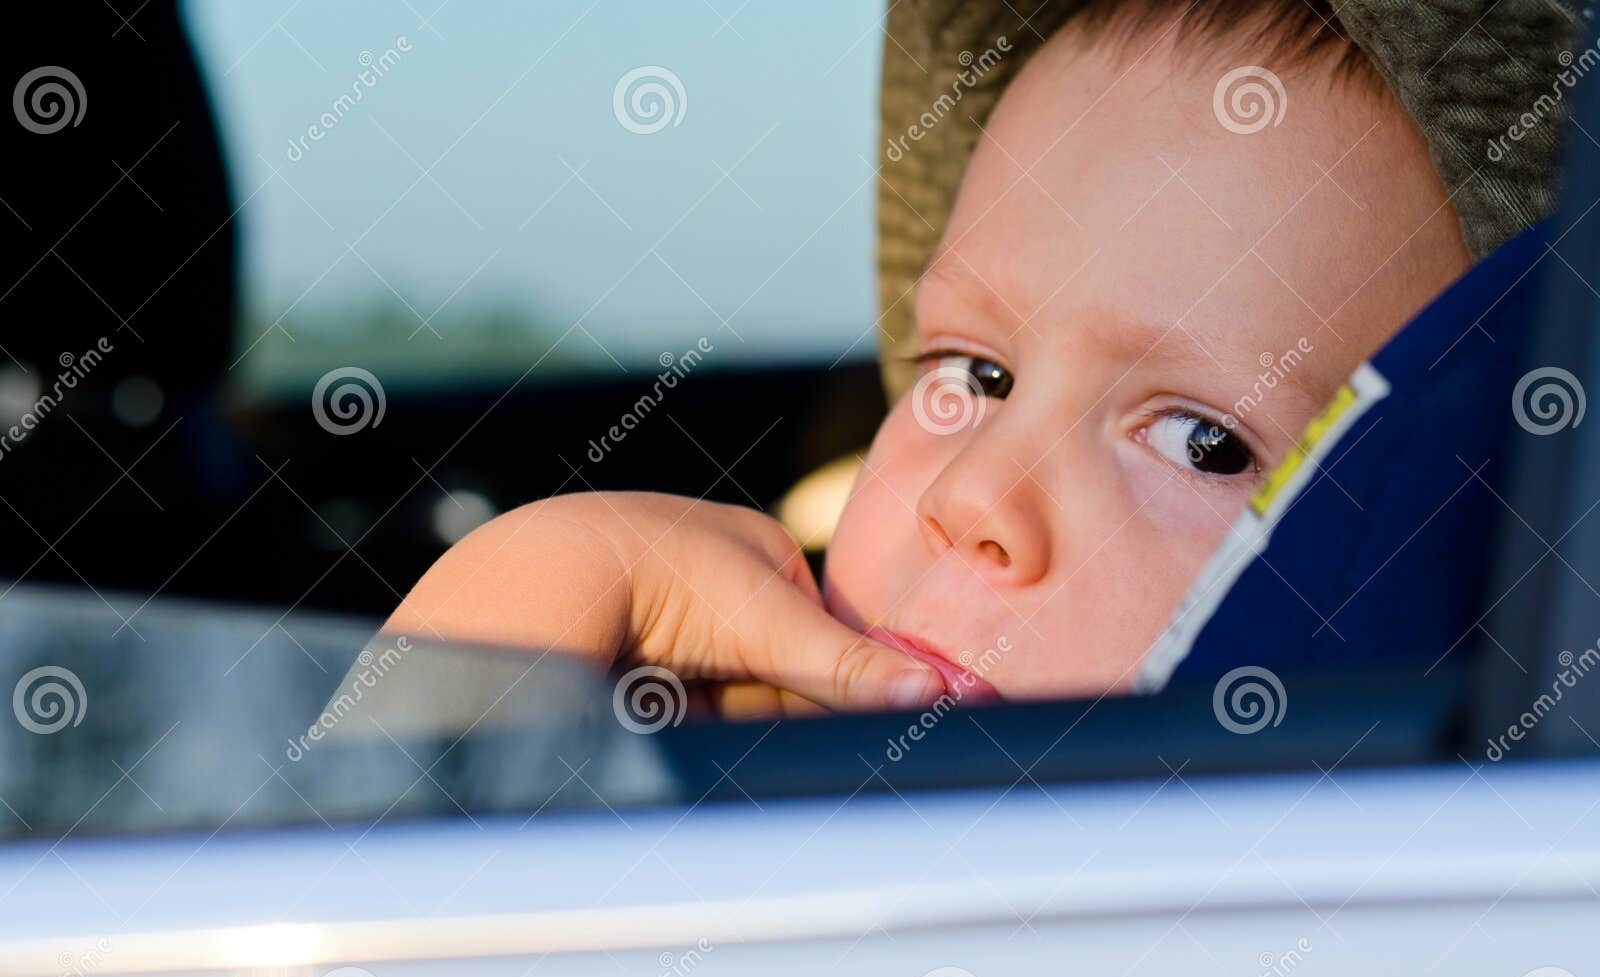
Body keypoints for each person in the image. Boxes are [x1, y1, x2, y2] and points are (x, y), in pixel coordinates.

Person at [386, 0, 1573, 715]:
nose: (971, 497)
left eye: (1203, 440)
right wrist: (540, 586)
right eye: (973, 375)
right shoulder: (733, 802)